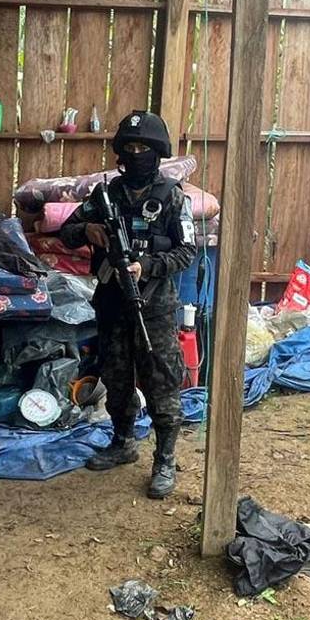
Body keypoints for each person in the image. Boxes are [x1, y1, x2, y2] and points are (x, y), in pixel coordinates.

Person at [60, 111, 195, 499]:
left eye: (144, 148)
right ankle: (122, 442)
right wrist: (89, 230)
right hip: (111, 303)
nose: (136, 154)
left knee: (161, 380)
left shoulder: (171, 196)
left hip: (152, 306)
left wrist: (147, 265)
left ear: (157, 153)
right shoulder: (107, 195)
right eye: (130, 147)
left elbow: (187, 251)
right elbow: (67, 231)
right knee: (116, 378)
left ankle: (165, 458)